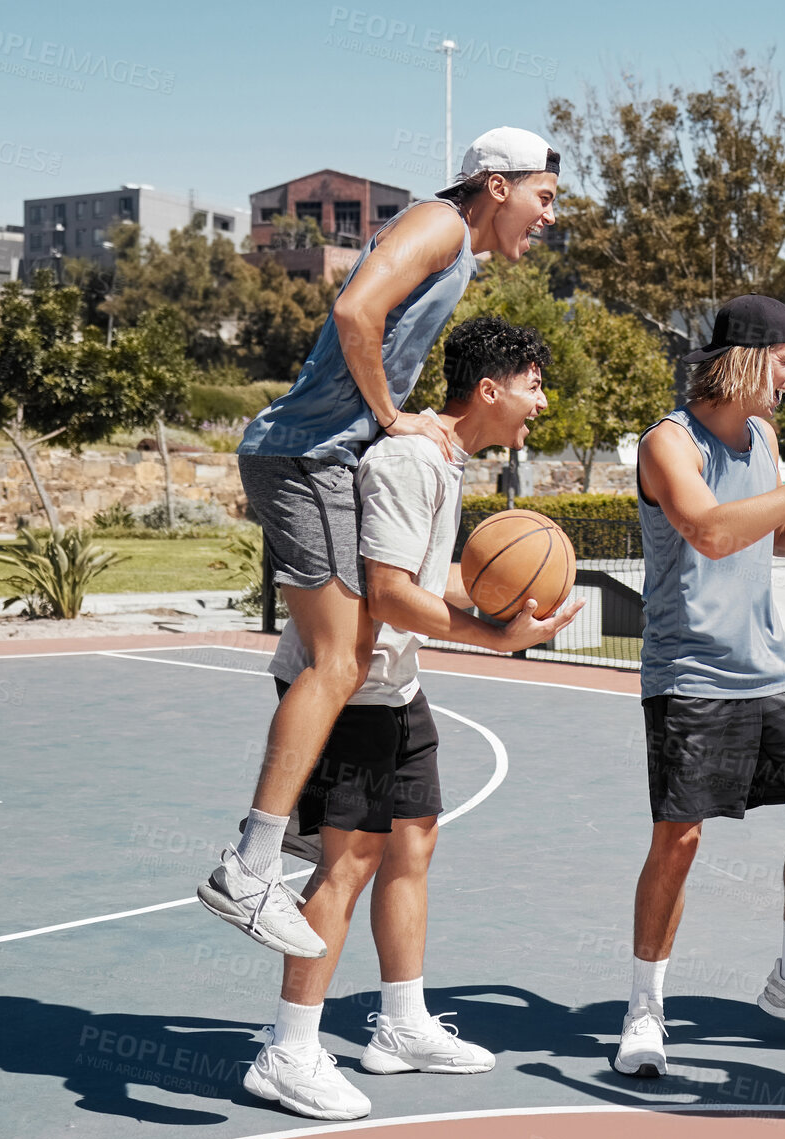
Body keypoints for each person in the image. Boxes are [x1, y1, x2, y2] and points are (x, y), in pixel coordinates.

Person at [201, 129, 561, 959]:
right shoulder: (439, 226)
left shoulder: (454, 251)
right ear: (497, 186)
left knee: (349, 654)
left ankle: (287, 832)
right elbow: (353, 311)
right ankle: (252, 861)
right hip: (302, 453)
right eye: (544, 197)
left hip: (314, 451)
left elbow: (377, 335)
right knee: (338, 660)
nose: (548, 217)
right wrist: (392, 419)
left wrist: (395, 415)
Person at [243, 316, 581, 1120]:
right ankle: (288, 1048)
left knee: (412, 844)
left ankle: (400, 1023)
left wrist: (502, 604)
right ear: (490, 388)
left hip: (396, 686)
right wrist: (496, 636)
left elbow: (427, 583)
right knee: (348, 862)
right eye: (534, 383)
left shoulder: (444, 462)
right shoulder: (405, 461)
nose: (543, 401)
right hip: (353, 692)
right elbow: (390, 593)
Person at [615, 294, 785, 1079]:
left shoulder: (765, 437)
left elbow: (779, 537)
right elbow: (709, 528)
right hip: (692, 670)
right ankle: (644, 1007)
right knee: (680, 838)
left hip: (769, 666)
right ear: (746, 358)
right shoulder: (669, 443)